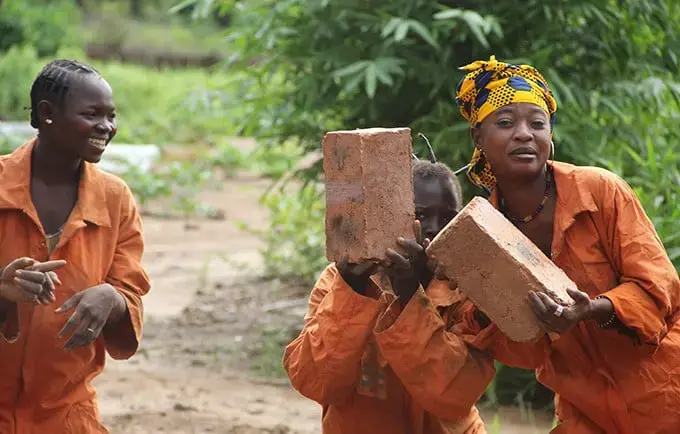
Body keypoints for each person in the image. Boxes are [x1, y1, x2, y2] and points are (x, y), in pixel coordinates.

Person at [453, 55, 680, 433]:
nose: (524, 134)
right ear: (478, 137)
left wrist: (593, 309)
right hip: (583, 408)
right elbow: (518, 349)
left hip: (665, 389)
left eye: (537, 124)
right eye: (506, 123)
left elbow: (660, 292)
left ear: (549, 136)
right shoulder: (480, 236)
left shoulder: (600, 191)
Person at [283, 145, 493, 434]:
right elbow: (317, 381)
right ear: (392, 215)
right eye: (420, 214)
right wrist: (352, 289)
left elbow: (454, 394)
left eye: (448, 217)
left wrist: (411, 296)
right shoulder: (340, 280)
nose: (433, 228)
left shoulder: (465, 287)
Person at [0, 59, 151, 433]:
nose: (107, 127)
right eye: (92, 114)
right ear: (47, 114)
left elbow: (130, 289)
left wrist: (112, 299)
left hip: (67, 414)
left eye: (111, 116)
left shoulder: (115, 199)